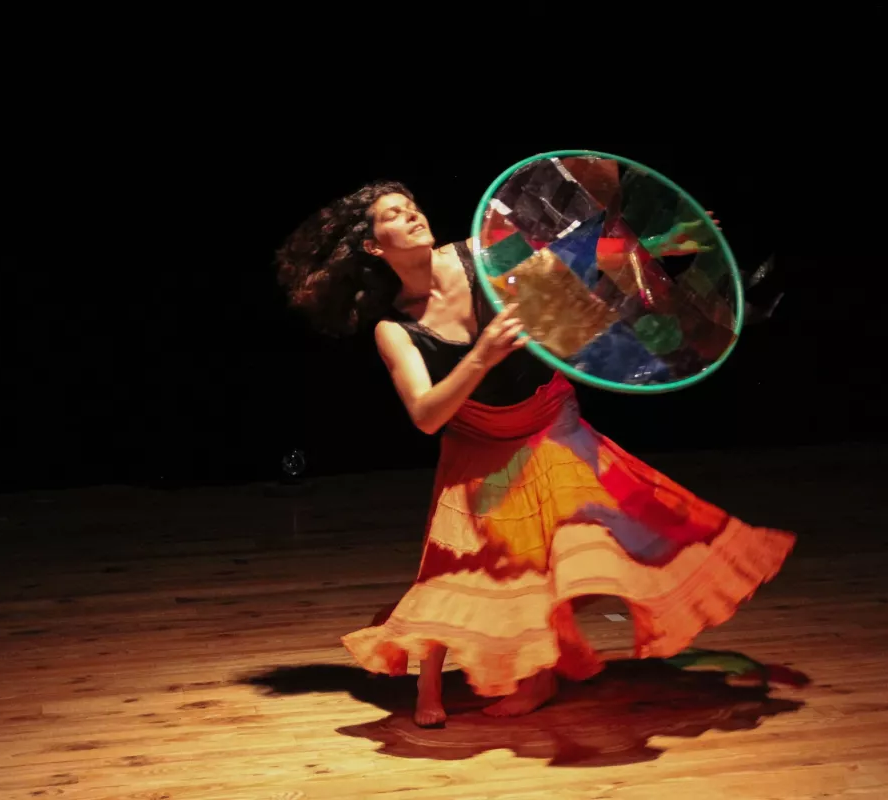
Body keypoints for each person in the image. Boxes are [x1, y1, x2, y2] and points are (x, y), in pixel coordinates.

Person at [276, 179, 796, 727]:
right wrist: (482, 355)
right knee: (462, 565)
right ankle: (436, 680)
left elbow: (582, 262)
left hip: (547, 418)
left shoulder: (481, 255)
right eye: (394, 215)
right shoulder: (395, 328)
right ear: (373, 247)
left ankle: (540, 675)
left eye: (412, 207)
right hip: (478, 438)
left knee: (575, 545)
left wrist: (658, 243)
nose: (413, 216)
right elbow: (427, 416)